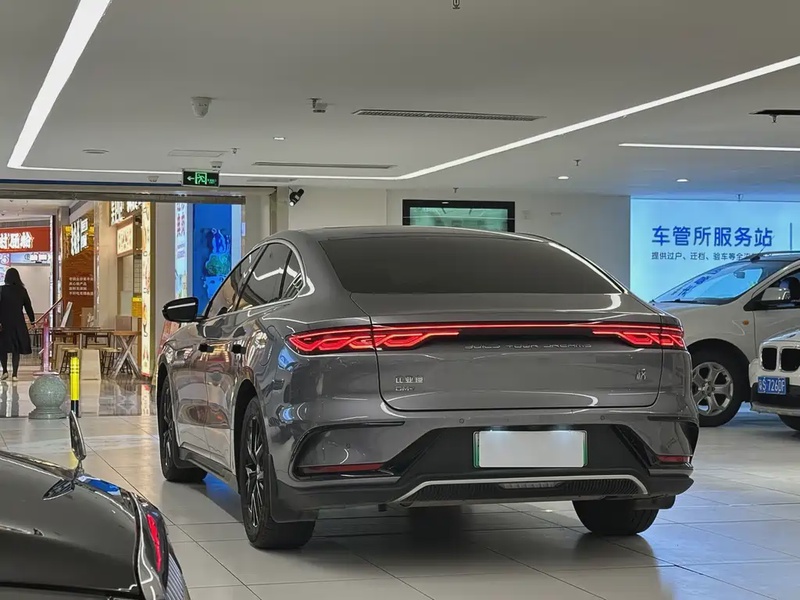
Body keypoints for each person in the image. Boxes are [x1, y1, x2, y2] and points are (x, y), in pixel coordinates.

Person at [0, 268, 35, 381]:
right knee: (16, 349)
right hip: (18, 323)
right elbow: (28, 306)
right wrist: (32, 320)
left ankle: (5, 371)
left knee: (2, 348)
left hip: (4, 323)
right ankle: (14, 374)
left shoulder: (1, 290)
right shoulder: (22, 290)